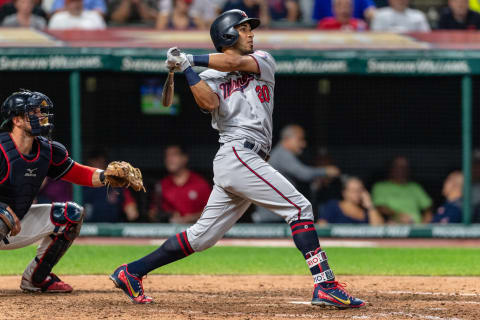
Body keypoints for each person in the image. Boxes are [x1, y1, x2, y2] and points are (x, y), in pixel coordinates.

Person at [110, 9, 365, 308]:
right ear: (227, 35)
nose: (251, 33)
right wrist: (187, 70)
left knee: (201, 237)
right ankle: (326, 285)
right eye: (243, 29)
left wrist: (188, 58)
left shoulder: (264, 60)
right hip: (236, 152)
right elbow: (209, 103)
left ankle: (132, 271)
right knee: (300, 207)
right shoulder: (208, 76)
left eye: (249, 29)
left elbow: (233, 62)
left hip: (247, 158)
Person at [0, 89, 142, 293]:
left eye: (41, 112)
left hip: (16, 224)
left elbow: (78, 173)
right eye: (34, 112)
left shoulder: (46, 150)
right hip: (3, 219)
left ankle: (36, 277)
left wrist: (107, 176)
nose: (41, 116)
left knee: (70, 215)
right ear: (17, 120)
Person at [251, 124, 340, 223]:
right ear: (288, 139)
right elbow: (303, 174)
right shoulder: (282, 154)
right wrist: (325, 171)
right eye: (300, 139)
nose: (303, 144)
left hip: (276, 213)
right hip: (272, 217)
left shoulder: (283, 153)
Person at [149, 145, 211, 223]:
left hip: (196, 231)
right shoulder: (161, 185)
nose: (169, 159)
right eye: (167, 156)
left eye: (174, 155)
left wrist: (188, 219)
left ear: (185, 158)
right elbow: (152, 214)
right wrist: (166, 215)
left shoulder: (200, 184)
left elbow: (213, 212)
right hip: (168, 232)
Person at [372, 156, 432, 224]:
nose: (401, 170)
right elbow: (379, 207)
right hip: (393, 227)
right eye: (398, 167)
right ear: (391, 168)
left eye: (404, 167)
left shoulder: (415, 187)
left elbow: (428, 207)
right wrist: (397, 215)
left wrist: (425, 223)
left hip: (416, 227)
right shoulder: (380, 187)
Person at [83, 152, 139, 223]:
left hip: (113, 228)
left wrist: (130, 209)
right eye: (95, 163)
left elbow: (132, 213)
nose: (98, 166)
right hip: (89, 229)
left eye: (101, 163)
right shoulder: (83, 187)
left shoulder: (117, 185)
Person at [318, 176, 383, 225]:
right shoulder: (333, 206)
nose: (357, 193)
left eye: (360, 190)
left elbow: (378, 229)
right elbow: (322, 226)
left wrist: (370, 205)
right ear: (344, 192)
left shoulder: (367, 211)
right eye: (353, 191)